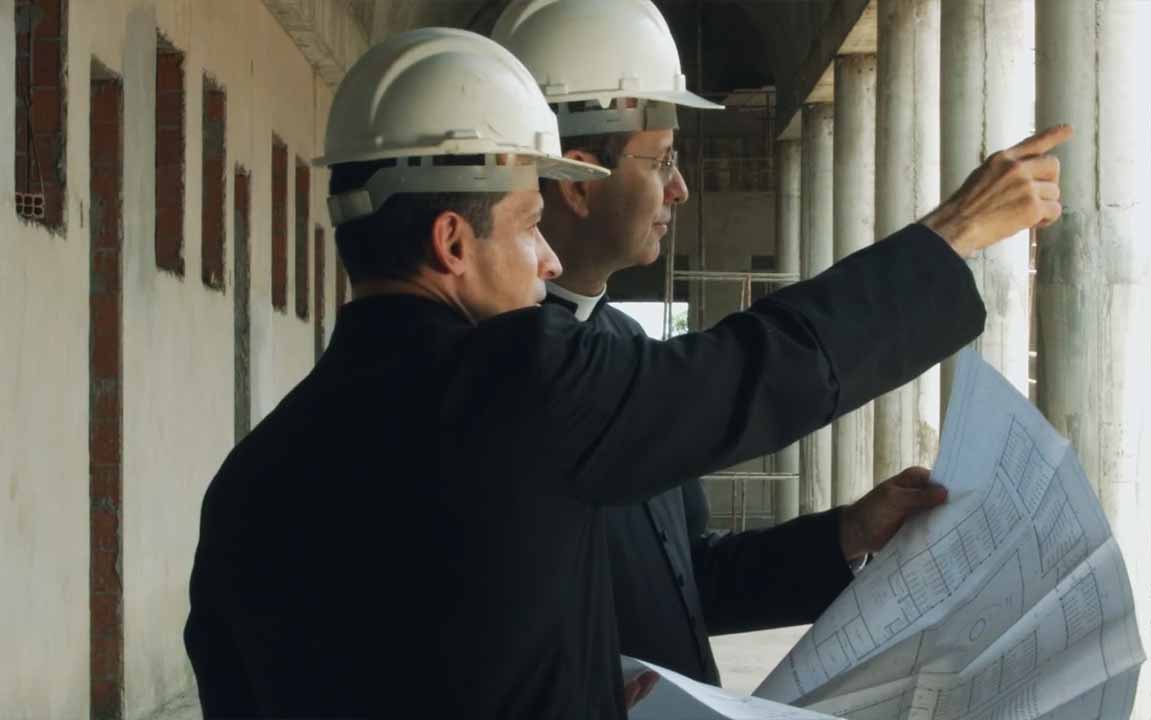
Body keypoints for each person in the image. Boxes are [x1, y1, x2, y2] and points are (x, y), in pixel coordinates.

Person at [184, 24, 1069, 720]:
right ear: (453, 243)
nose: (543, 261)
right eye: (529, 225)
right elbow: (751, 369)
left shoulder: (247, 481)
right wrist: (948, 239)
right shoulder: (518, 385)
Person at [490, 0, 1046, 686]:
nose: (681, 189)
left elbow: (690, 576)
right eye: (661, 160)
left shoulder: (614, 339)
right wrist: (949, 236)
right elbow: (752, 368)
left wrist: (849, 533)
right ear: (578, 180)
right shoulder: (501, 366)